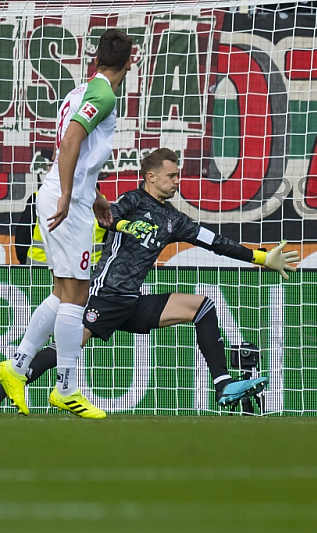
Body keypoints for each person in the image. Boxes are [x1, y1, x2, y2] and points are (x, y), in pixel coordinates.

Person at [0, 148, 300, 418]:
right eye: (171, 176)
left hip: (131, 301)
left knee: (202, 308)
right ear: (151, 176)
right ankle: (9, 383)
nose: (176, 181)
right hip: (105, 294)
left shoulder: (173, 219)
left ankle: (223, 386)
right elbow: (108, 216)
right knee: (65, 350)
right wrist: (124, 224)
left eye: (178, 176)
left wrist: (260, 258)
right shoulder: (133, 200)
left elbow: (216, 242)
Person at [0, 29, 133, 416]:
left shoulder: (81, 90)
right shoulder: (105, 94)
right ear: (130, 61)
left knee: (63, 292)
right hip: (64, 201)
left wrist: (94, 197)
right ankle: (66, 387)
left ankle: (17, 365)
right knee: (77, 293)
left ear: (95, 59)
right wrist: (69, 195)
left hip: (68, 197)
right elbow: (72, 141)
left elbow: (81, 151)